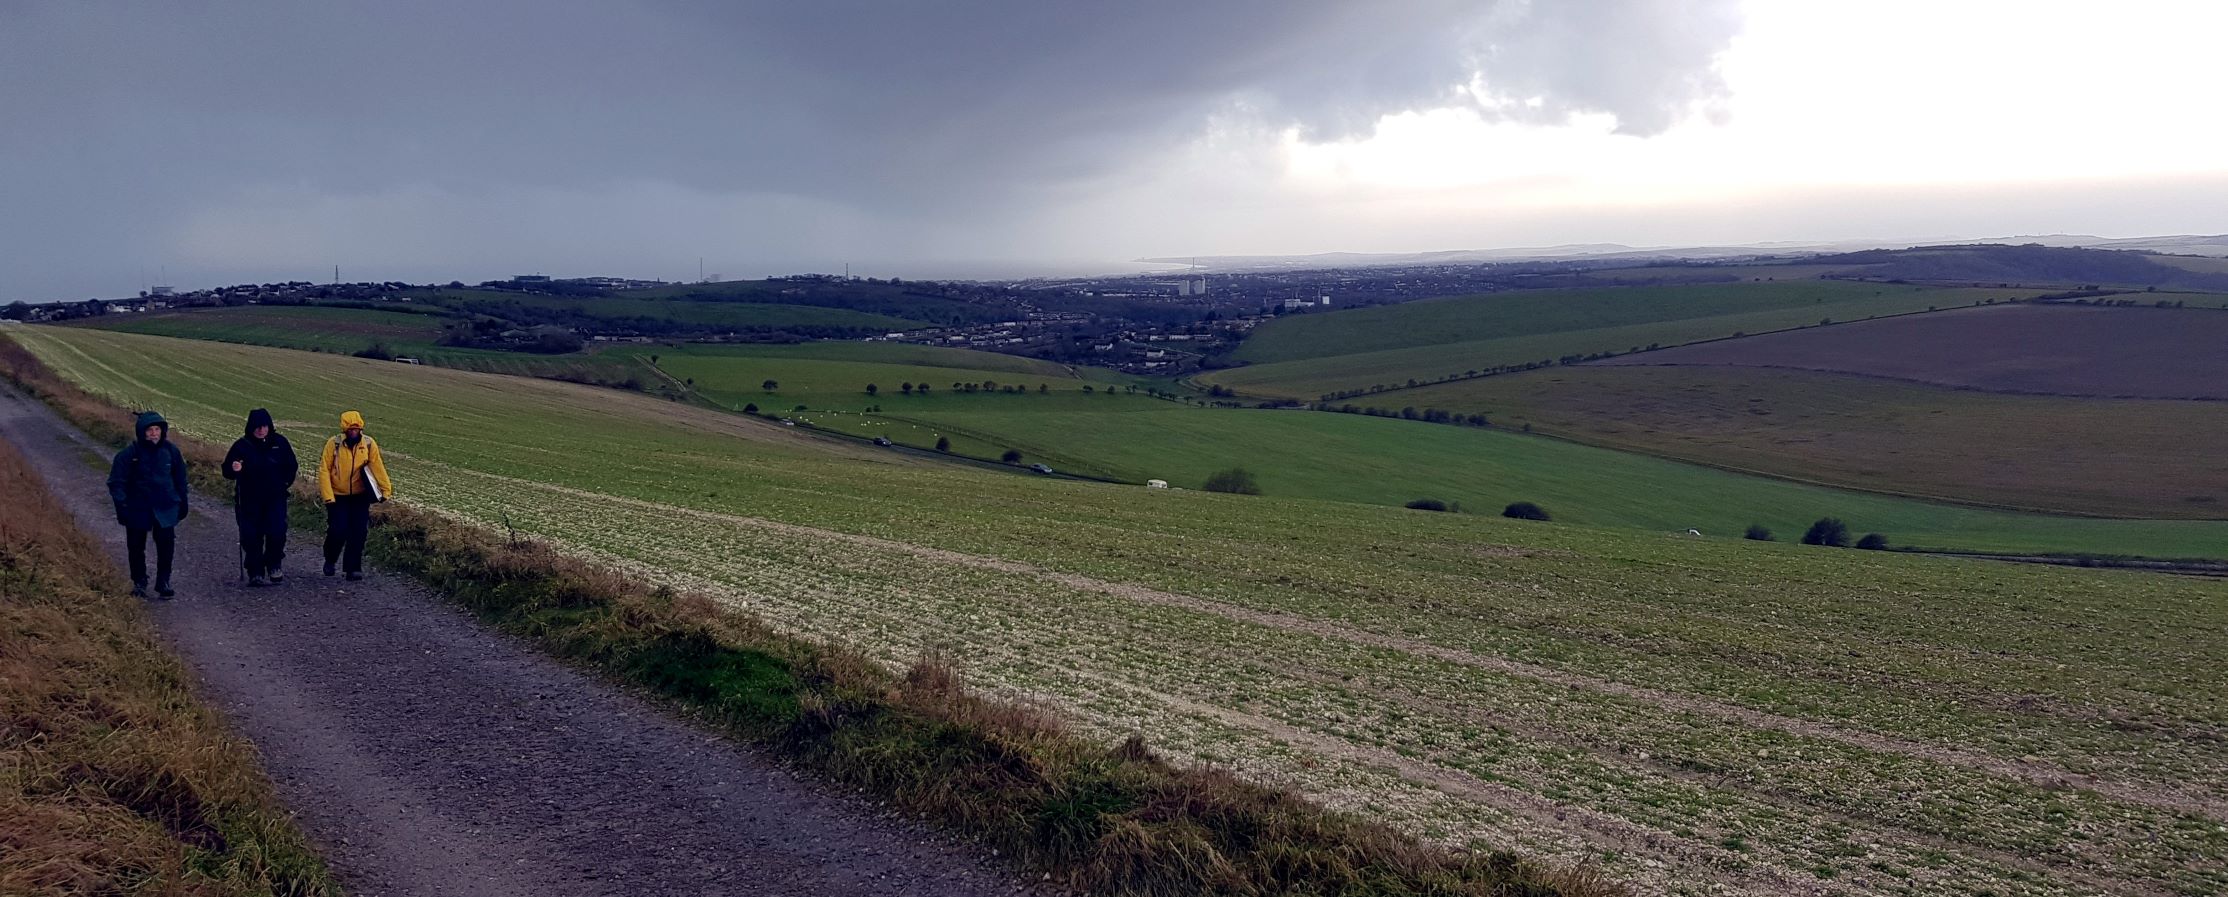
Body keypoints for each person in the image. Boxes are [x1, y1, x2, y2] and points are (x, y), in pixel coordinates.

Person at [108, 410, 189, 599]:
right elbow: (116, 482)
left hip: (165, 506)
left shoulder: (171, 451)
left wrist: (182, 501)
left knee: (166, 545)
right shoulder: (129, 454)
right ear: (141, 432)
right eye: (150, 430)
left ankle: (163, 581)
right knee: (136, 546)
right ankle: (139, 582)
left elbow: (180, 478)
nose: (154, 433)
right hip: (138, 507)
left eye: (157, 429)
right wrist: (123, 505)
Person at [223, 408, 298, 586]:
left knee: (277, 532)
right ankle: (255, 570)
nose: (260, 430)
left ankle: (274, 564)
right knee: (250, 535)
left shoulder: (280, 443)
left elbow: (292, 466)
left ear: (269, 426)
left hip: (275, 498)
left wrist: (284, 484)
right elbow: (227, 470)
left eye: (263, 426)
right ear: (251, 427)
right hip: (249, 499)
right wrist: (233, 469)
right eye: (256, 427)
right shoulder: (241, 446)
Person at [317, 410, 391, 581]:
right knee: (338, 530)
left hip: (360, 496)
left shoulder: (369, 444)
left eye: (356, 429)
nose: (353, 432)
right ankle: (330, 558)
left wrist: (385, 490)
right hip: (337, 496)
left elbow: (377, 466)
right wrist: (328, 497)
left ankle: (353, 568)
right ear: (344, 430)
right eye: (350, 430)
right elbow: (324, 471)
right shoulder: (333, 444)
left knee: (359, 532)